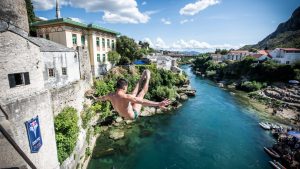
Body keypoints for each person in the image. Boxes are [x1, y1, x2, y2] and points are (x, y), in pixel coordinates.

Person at [97, 69, 171, 120]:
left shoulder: (110, 95)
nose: (126, 89)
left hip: (123, 114)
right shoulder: (125, 96)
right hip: (133, 115)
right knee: (141, 94)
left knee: (133, 94)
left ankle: (142, 78)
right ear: (124, 87)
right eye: (126, 88)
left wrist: (95, 98)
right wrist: (159, 103)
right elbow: (142, 101)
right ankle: (148, 78)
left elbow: (102, 98)